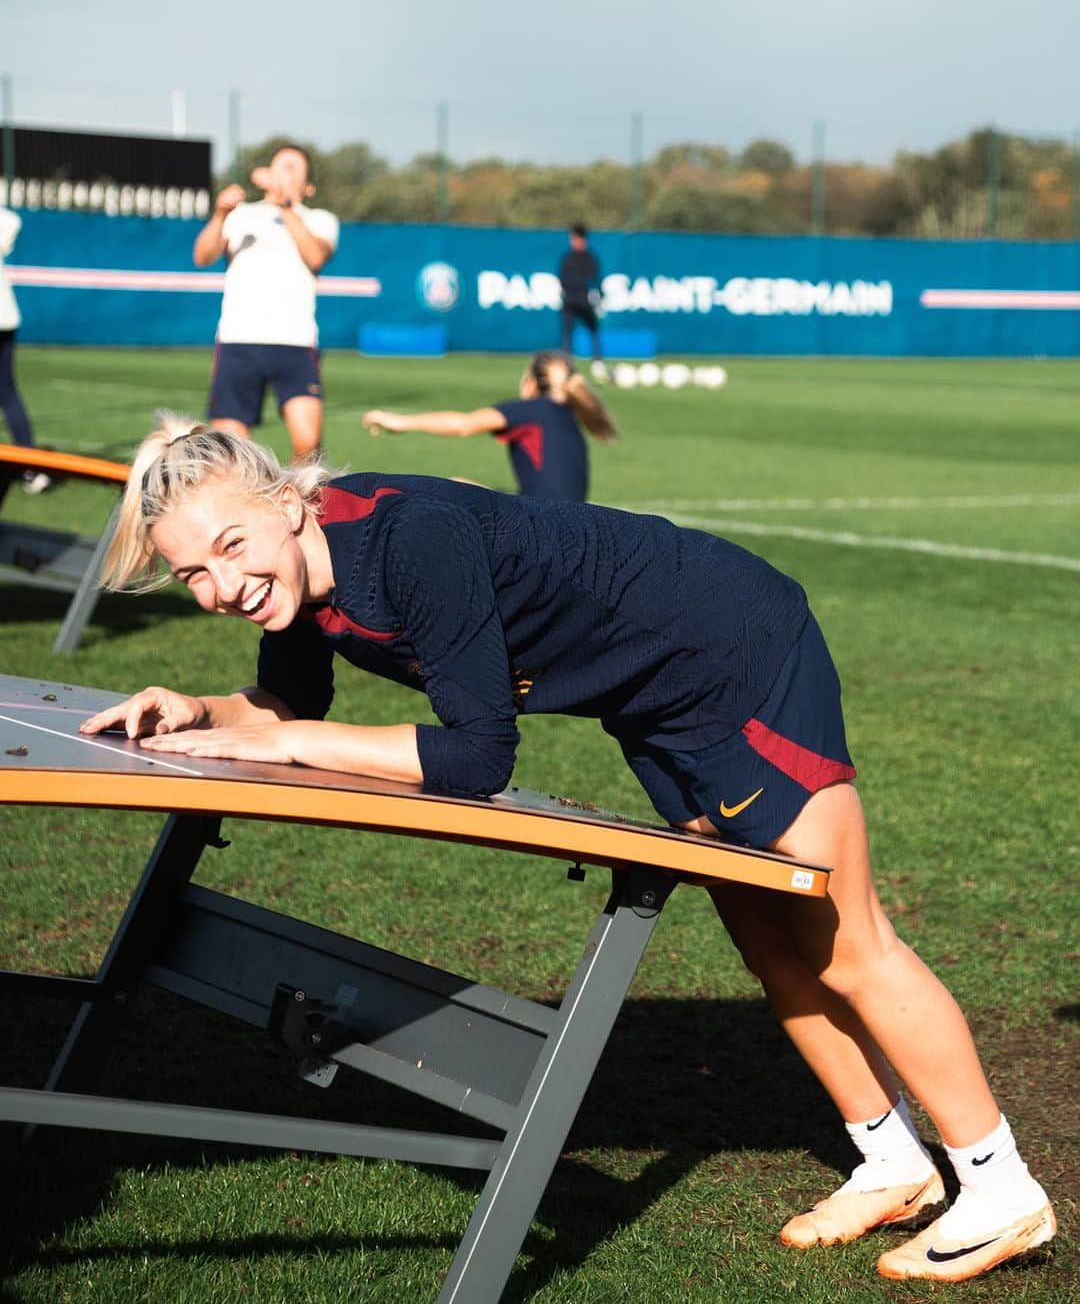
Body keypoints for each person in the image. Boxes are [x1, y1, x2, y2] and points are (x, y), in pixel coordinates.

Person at [83, 416, 1056, 1285]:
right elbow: (291, 709)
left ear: (292, 504)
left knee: (848, 942)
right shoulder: (299, 583)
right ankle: (890, 1161)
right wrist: (199, 710)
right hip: (652, 697)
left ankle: (999, 1184)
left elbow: (474, 755)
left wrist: (283, 740)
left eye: (231, 547)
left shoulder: (410, 540)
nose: (221, 586)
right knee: (768, 941)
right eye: (192, 573)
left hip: (735, 652)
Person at [193, 144, 339, 461]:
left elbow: (315, 256)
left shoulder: (319, 220)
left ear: (308, 186)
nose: (285, 173)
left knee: (308, 444)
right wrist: (220, 213)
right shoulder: (242, 214)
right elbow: (202, 256)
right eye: (280, 166)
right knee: (229, 448)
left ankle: (299, 505)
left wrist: (286, 207)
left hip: (295, 342)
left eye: (294, 168)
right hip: (239, 340)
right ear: (267, 174)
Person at [361, 351, 616, 502]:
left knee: (452, 488)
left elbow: (462, 425)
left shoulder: (532, 411)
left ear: (531, 384)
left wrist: (401, 422)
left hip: (544, 525)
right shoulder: (569, 418)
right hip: (572, 525)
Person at [0, 205, 50, 493]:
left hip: (5, 317)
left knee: (6, 391)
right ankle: (31, 468)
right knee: (7, 391)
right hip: (6, 316)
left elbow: (10, 221)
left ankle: (30, 466)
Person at [558, 224, 604, 374]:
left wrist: (597, 298)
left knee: (594, 331)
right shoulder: (568, 258)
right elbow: (562, 280)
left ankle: (597, 363)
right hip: (570, 302)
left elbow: (596, 281)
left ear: (582, 239)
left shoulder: (590, 258)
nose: (573, 241)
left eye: (575, 238)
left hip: (586, 302)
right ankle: (566, 365)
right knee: (567, 334)